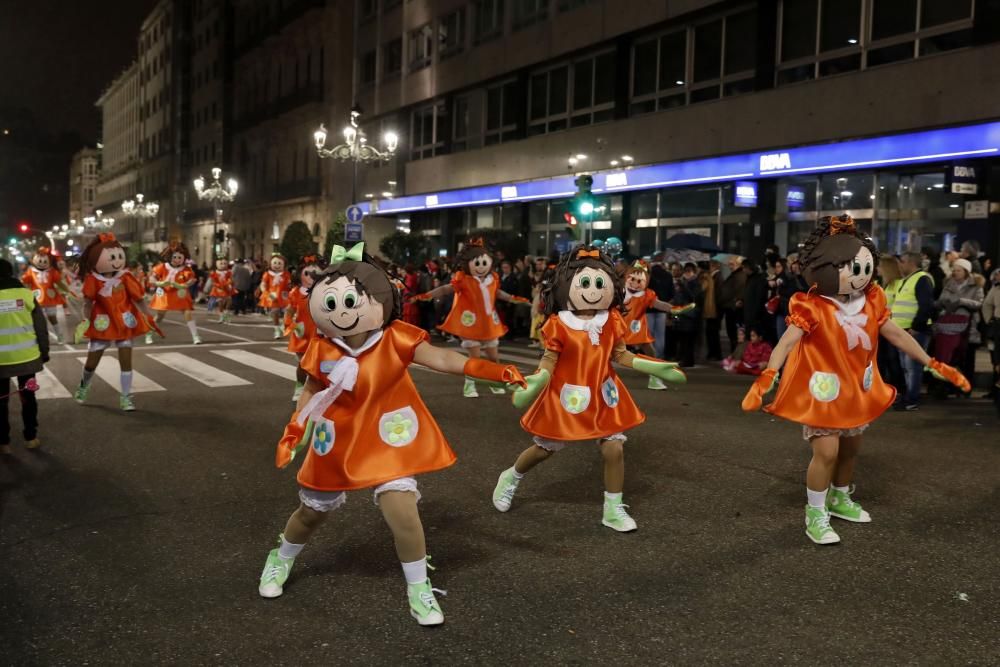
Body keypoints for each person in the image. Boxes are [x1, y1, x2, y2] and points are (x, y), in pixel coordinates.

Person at [258, 242, 525, 626]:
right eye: (331, 303)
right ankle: (280, 557)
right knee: (311, 513)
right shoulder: (321, 347)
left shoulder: (396, 337)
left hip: (387, 437)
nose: (343, 312)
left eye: (352, 301)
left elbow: (444, 358)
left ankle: (419, 587)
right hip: (336, 439)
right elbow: (312, 389)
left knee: (403, 511)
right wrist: (295, 427)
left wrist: (494, 372)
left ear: (381, 300)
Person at [742, 215, 969, 546]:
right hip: (822, 391)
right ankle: (815, 513)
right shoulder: (812, 305)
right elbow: (787, 342)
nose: (860, 276)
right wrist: (767, 375)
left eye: (864, 267)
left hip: (856, 388)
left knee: (850, 450)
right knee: (827, 452)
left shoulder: (872, 299)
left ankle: (839, 498)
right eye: (851, 268)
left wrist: (932, 362)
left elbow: (896, 335)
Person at [491, 245, 687, 532]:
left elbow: (621, 354)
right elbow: (548, 360)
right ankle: (511, 476)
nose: (594, 291)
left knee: (614, 449)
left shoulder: (611, 320)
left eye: (600, 283)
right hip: (566, 394)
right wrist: (536, 382)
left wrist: (654, 366)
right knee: (545, 449)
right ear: (565, 286)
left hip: (603, 393)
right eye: (585, 283)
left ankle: (612, 509)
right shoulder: (559, 324)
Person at [413, 238, 528, 398]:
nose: (481, 267)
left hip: (489, 323)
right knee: (475, 358)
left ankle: (494, 381)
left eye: (484, 263)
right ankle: (470, 385)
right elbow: (446, 289)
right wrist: (428, 295)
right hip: (471, 323)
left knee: (493, 357)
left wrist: (514, 298)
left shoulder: (492, 279)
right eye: (477, 264)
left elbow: (498, 293)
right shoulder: (464, 280)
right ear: (467, 264)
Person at [73, 234, 160, 411]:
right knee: (91, 364)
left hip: (125, 322)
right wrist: (85, 320)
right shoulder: (93, 280)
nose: (117, 261)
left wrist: (149, 316)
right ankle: (83, 386)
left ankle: (126, 397)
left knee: (126, 362)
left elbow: (140, 299)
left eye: (119, 256)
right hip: (102, 324)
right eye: (112, 257)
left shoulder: (126, 277)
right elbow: (88, 303)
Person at [0, 259, 49, 455]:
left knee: (1, 401)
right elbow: (40, 327)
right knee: (28, 398)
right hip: (27, 359)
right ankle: (31, 437)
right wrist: (43, 353)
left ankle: (3, 442)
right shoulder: (26, 295)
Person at [622, 261, 689, 389]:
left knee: (650, 353)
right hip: (617, 325)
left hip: (636, 327)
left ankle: (654, 379)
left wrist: (673, 309)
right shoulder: (620, 290)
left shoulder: (647, 294)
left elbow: (659, 304)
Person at [930, 258, 983, 397]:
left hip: (967, 328)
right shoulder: (948, 284)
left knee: (965, 359)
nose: (955, 272)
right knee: (947, 358)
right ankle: (947, 387)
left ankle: (965, 387)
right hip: (947, 326)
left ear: (966, 271)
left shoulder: (975, 286)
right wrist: (941, 303)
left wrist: (961, 302)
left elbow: (979, 304)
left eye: (958, 270)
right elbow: (941, 300)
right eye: (953, 270)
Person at [892, 251, 936, 411]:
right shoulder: (908, 280)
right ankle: (909, 397)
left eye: (902, 261)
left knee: (912, 368)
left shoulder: (922, 279)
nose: (899, 265)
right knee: (907, 367)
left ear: (910, 262)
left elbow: (927, 306)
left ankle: (912, 399)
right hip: (904, 331)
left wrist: (916, 327)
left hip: (915, 331)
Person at [284, 255, 322, 403]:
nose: (311, 277)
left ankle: (314, 389)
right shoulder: (296, 292)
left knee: (318, 364)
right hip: (302, 333)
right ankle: (299, 386)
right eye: (307, 273)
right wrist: (291, 325)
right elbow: (289, 311)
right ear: (300, 275)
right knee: (302, 364)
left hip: (319, 334)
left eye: (315, 274)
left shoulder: (324, 291)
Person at [147, 242, 200, 345]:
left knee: (187, 313)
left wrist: (183, 285)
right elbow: (151, 278)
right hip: (164, 293)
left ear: (184, 258)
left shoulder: (186, 269)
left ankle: (196, 336)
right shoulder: (162, 267)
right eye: (174, 257)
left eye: (180, 258)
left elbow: (191, 280)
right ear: (169, 256)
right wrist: (160, 283)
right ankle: (149, 334)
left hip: (180, 293)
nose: (177, 260)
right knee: (159, 316)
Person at [20, 247, 70, 344]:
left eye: (45, 261)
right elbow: (25, 282)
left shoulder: (52, 272)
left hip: (50, 297)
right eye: (40, 260)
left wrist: (67, 290)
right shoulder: (31, 271)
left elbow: (59, 282)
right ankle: (38, 338)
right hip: (36, 298)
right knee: (37, 319)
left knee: (52, 318)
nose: (42, 263)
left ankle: (60, 336)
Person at [258, 254, 292, 339]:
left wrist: (290, 286)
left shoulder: (286, 274)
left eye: (279, 263)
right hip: (273, 296)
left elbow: (290, 284)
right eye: (275, 263)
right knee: (275, 312)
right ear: (271, 264)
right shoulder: (267, 274)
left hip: (284, 296)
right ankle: (276, 329)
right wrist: (266, 292)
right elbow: (263, 284)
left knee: (288, 312)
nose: (277, 265)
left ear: (284, 265)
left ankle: (283, 326)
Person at [718, 255, 746, 354]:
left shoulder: (740, 275)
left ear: (739, 264)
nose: (730, 266)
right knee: (732, 333)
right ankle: (734, 353)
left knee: (735, 333)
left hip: (734, 308)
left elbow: (738, 291)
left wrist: (736, 301)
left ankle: (735, 354)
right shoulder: (735, 274)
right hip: (730, 307)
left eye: (732, 264)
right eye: (729, 264)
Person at [647, 263, 674, 359]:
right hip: (662, 309)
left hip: (648, 309)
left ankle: (652, 356)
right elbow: (672, 293)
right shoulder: (668, 275)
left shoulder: (648, 276)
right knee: (660, 335)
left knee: (650, 334)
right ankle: (659, 356)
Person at [980, 268, 1000, 400]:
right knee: (996, 359)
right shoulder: (996, 288)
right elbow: (986, 304)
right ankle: (996, 391)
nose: (996, 277)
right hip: (998, 326)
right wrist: (990, 320)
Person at [703, 260, 723, 361]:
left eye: (711, 265)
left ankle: (716, 353)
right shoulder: (715, 276)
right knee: (710, 332)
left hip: (714, 309)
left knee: (713, 332)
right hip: (713, 309)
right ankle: (713, 352)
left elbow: (718, 294)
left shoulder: (717, 277)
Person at [207, 257, 237, 323]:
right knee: (220, 304)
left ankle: (226, 316)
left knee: (229, 302)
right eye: (221, 263)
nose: (223, 265)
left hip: (227, 289)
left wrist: (230, 284)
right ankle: (221, 317)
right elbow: (212, 281)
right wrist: (217, 285)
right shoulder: (214, 273)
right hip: (219, 290)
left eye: (224, 263)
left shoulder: (229, 272)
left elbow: (231, 280)